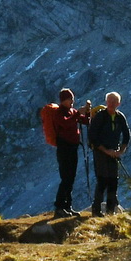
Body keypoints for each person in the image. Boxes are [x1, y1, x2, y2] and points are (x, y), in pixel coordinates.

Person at [39, 87, 88, 215]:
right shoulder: (58, 113)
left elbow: (85, 121)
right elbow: (65, 123)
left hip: (72, 148)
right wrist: (78, 114)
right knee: (66, 177)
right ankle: (59, 207)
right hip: (64, 148)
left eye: (72, 98)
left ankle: (67, 206)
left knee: (71, 177)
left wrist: (87, 112)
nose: (72, 101)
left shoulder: (72, 111)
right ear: (63, 100)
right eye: (69, 99)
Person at [88, 90, 130, 214]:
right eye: (110, 101)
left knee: (113, 180)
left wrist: (120, 151)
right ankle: (97, 210)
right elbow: (92, 137)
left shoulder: (120, 117)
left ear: (118, 103)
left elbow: (127, 135)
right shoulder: (100, 116)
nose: (111, 103)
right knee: (102, 180)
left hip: (113, 153)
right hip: (100, 153)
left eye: (114, 101)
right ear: (106, 102)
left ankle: (110, 210)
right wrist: (106, 151)